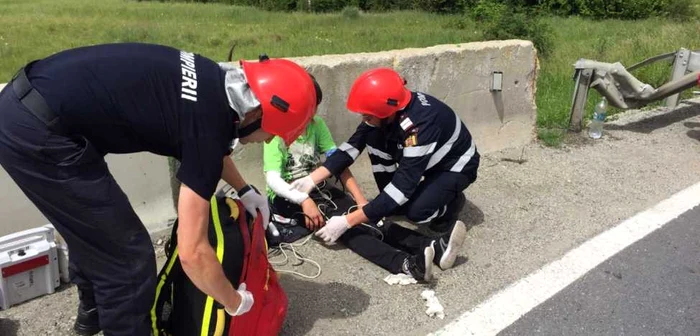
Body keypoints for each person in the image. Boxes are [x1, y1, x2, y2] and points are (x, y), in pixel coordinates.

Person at [0, 43, 317, 336]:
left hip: (32, 102)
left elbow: (210, 144)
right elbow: (192, 253)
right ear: (257, 112)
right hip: (38, 133)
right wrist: (233, 301)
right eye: (272, 132)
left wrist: (245, 189)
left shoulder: (214, 81)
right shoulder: (209, 125)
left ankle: (96, 312)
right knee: (128, 259)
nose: (269, 140)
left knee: (95, 227)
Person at [291, 67, 479, 273]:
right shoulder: (388, 110)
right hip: (428, 160)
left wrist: (347, 221)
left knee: (416, 212)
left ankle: (450, 204)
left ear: (386, 112)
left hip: (454, 166)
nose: (364, 119)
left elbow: (401, 188)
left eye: (368, 115)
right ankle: (415, 207)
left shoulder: (419, 128)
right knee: (375, 149)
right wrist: (313, 178)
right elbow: (350, 148)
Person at [265, 75, 441, 281]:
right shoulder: (274, 133)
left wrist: (360, 201)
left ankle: (429, 244)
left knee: (369, 218)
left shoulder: (317, 124)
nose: (311, 114)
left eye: (314, 108)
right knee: (349, 232)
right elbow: (273, 180)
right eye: (307, 108)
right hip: (290, 198)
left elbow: (338, 163)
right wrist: (304, 200)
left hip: (320, 189)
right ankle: (405, 264)